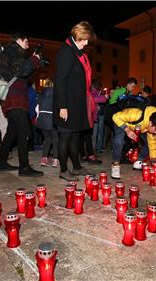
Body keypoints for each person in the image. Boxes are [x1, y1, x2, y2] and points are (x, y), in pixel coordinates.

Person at [0, 31, 43, 177]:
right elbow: (21, 70)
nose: (28, 43)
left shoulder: (10, 52)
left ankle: (1, 162)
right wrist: (34, 59)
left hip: (12, 98)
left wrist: (35, 64)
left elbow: (22, 77)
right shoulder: (14, 51)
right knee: (24, 131)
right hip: (15, 98)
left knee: (12, 132)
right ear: (19, 40)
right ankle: (24, 167)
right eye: (26, 40)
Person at [53, 21, 96, 181]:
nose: (86, 43)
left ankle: (76, 166)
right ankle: (63, 170)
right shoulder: (66, 52)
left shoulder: (77, 53)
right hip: (67, 104)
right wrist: (62, 106)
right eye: (84, 39)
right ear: (77, 36)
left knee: (75, 137)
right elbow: (60, 81)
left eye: (87, 40)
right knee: (65, 137)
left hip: (77, 104)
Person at [110, 106, 156, 179]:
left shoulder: (154, 124)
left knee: (149, 142)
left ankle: (139, 161)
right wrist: (127, 130)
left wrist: (153, 162)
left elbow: (152, 144)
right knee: (119, 140)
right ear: (150, 123)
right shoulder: (136, 114)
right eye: (155, 130)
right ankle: (115, 164)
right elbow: (115, 116)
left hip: (138, 127)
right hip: (121, 123)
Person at [36, 78, 59, 167]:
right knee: (55, 139)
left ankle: (44, 159)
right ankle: (55, 160)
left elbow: (37, 109)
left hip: (42, 121)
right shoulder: (56, 95)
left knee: (47, 139)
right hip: (53, 120)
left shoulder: (40, 95)